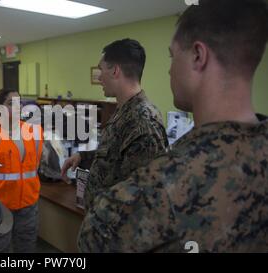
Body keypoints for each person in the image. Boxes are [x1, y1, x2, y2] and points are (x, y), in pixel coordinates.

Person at [78, 0, 268, 252]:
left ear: (198, 56)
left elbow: (93, 240)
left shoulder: (164, 185)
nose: (169, 70)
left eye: (172, 56)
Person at [61, 38, 168, 211]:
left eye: (101, 70)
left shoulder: (143, 121)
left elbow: (142, 196)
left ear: (115, 71)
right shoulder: (124, 110)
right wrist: (83, 156)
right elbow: (117, 155)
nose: (99, 76)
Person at [0, 89, 43, 253]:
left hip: (28, 204)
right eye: (11, 103)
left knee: (26, 247)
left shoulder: (34, 132)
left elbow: (35, 165)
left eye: (19, 102)